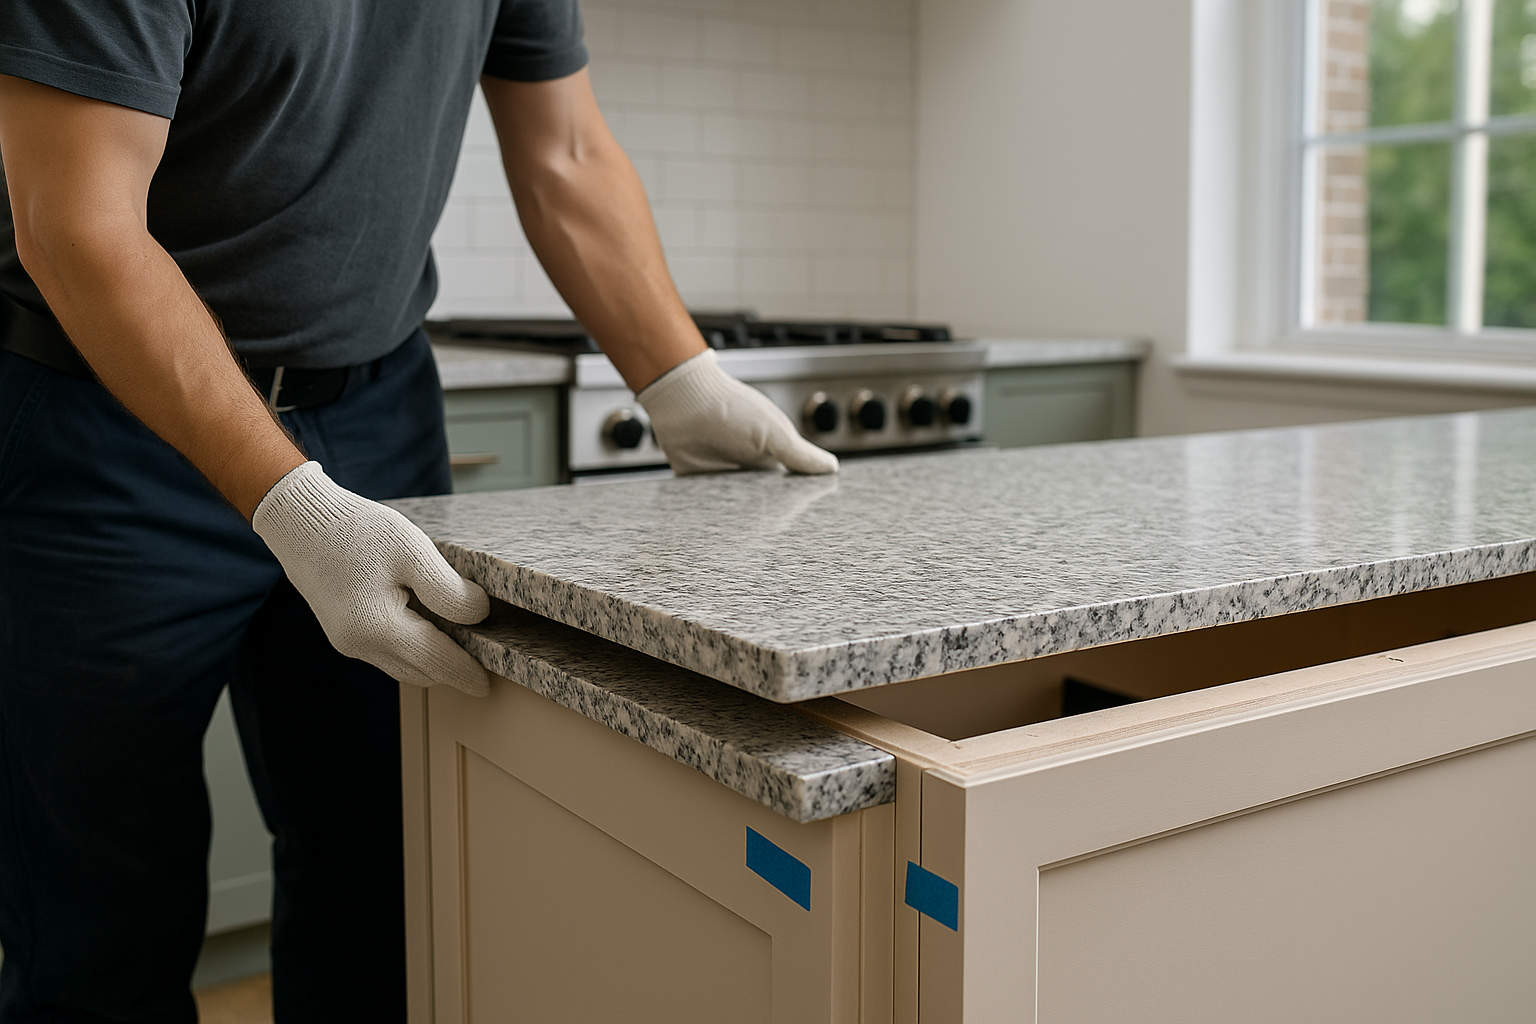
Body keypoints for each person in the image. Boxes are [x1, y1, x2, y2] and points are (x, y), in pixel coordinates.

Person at [0, 1, 837, 1020]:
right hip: (107, 426)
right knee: (100, 916)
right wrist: (291, 500)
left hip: (374, 408)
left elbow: (565, 152)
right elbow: (75, 224)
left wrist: (677, 377)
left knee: (387, 874)